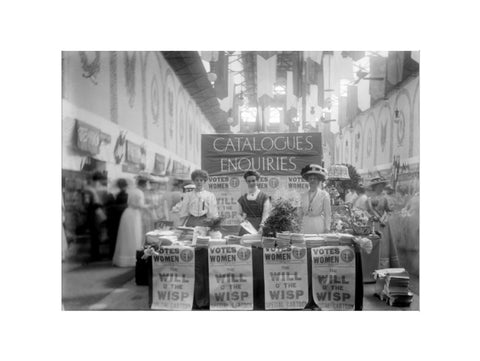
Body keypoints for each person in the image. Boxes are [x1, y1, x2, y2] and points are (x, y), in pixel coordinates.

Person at [112, 176, 153, 267]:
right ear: (144, 184)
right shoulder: (140, 192)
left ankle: (123, 259)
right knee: (134, 236)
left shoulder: (132, 191)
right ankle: (132, 259)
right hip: (134, 215)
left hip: (127, 213)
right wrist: (150, 206)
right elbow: (140, 205)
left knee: (126, 237)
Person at [83, 171, 109, 262]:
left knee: (94, 234)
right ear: (100, 179)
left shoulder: (88, 189)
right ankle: (96, 254)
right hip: (101, 213)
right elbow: (106, 202)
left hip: (92, 213)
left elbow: (86, 204)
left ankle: (95, 253)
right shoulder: (104, 189)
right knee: (100, 233)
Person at [299, 164, 332, 234]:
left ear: (319, 180)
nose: (312, 180)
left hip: (318, 224)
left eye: (315, 178)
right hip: (306, 224)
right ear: (308, 180)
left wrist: (327, 228)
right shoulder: (303, 195)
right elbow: (301, 212)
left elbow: (328, 214)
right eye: (310, 178)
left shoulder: (324, 195)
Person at [237, 170, 271, 235]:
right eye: (249, 181)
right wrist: (242, 221)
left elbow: (265, 214)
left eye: (253, 181)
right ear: (246, 182)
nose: (251, 183)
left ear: (257, 181)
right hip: (247, 227)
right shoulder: (242, 199)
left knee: (258, 244)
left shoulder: (264, 197)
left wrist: (262, 226)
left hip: (260, 226)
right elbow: (238, 214)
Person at [106, 178, 129, 258]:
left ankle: (113, 253)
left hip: (116, 217)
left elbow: (111, 205)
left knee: (115, 236)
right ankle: (116, 253)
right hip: (121, 216)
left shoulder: (114, 194)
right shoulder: (126, 194)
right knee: (119, 236)